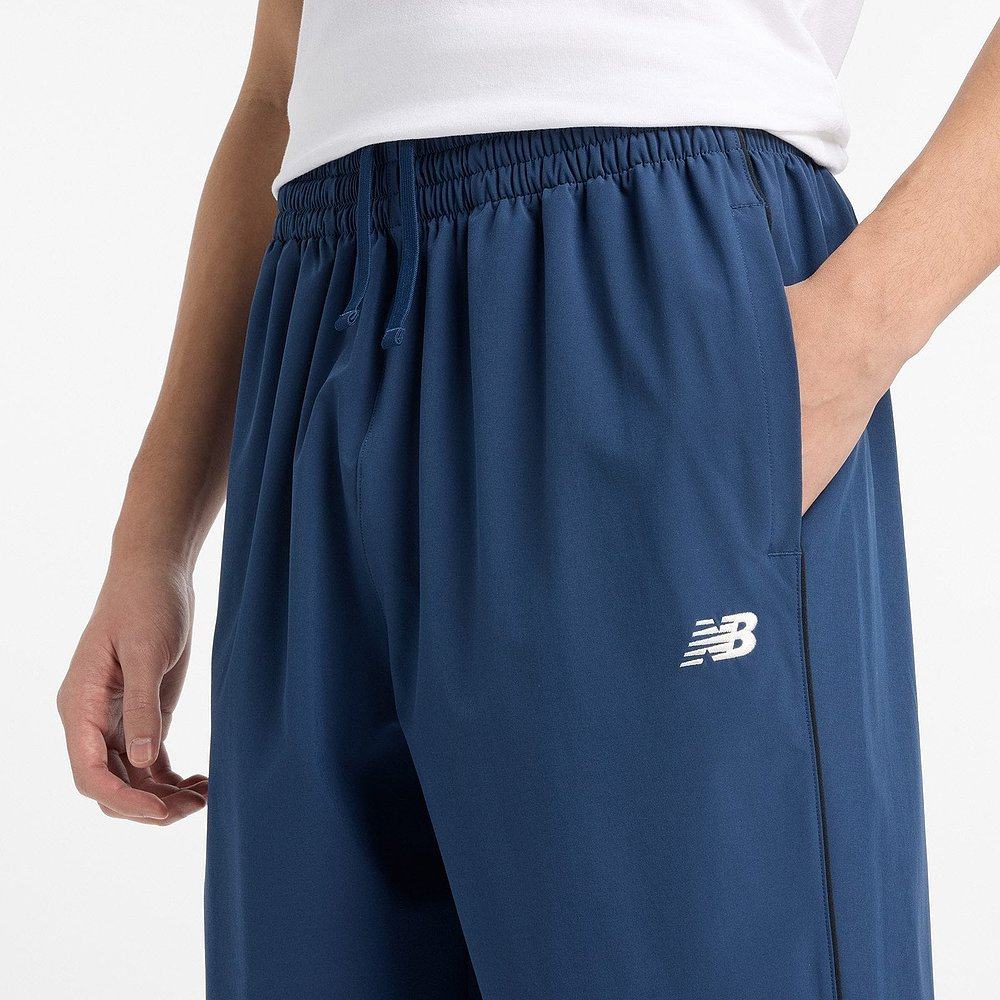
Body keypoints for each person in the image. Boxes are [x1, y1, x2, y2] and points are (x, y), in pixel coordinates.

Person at [56, 1, 999, 996]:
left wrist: (855, 332)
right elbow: (277, 82)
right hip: (319, 311)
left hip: (639, 270)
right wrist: (152, 537)